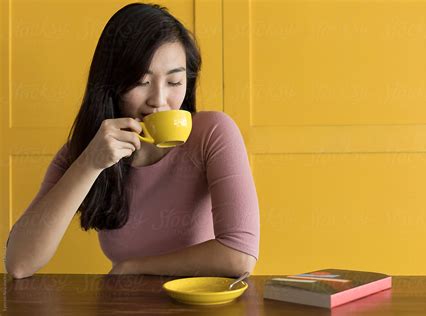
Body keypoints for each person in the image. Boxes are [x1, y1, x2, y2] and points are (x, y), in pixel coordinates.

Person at [5, 2, 260, 279]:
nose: (159, 101)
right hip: (125, 304)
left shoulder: (212, 133)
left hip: (201, 302)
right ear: (111, 85)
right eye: (142, 82)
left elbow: (239, 255)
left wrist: (134, 267)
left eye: (174, 83)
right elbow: (19, 263)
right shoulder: (86, 151)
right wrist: (90, 164)